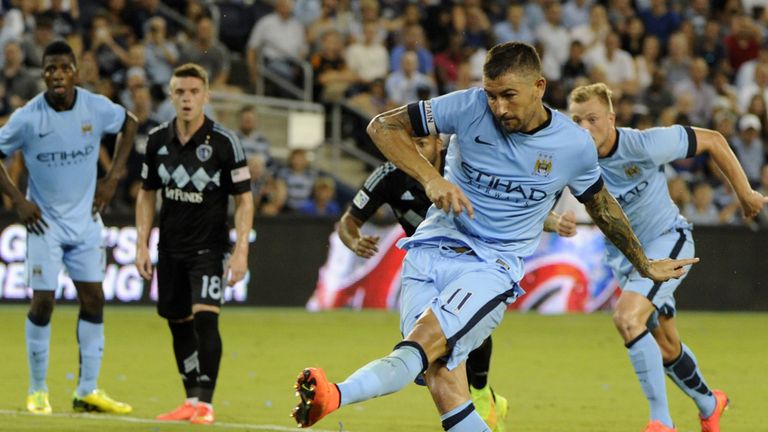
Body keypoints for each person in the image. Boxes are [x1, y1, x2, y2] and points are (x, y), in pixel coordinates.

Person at [291, 41, 696, 430]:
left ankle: (335, 394)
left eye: (508, 95)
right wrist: (431, 178)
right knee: (441, 380)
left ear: (539, 87)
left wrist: (643, 263)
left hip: (490, 265)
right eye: (491, 95)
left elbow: (602, 206)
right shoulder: (468, 106)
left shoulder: (572, 145)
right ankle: (334, 395)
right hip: (428, 249)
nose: (499, 107)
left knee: (422, 345)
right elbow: (382, 125)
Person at [338, 133, 577, 430]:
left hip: (472, 262)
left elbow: (511, 206)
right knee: (430, 351)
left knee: (463, 331)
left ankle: (480, 394)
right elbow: (349, 221)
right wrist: (355, 241)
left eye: (423, 143)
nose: (416, 151)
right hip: (426, 266)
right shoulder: (390, 175)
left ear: (439, 144)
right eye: (411, 144)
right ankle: (474, 405)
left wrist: (554, 221)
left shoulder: (464, 164)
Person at [568, 82, 768, 432]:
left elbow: (713, 140)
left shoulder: (644, 144)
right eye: (577, 120)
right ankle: (710, 404)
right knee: (666, 344)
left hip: (667, 241)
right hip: (627, 260)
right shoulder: (571, 161)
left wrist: (745, 193)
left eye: (593, 119)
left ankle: (661, 421)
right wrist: (556, 220)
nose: (584, 128)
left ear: (611, 119)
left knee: (627, 319)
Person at [0, 41, 137, 415]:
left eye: (64, 68)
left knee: (94, 299)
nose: (57, 75)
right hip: (44, 224)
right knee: (43, 302)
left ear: (76, 71)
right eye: (50, 69)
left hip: (86, 223)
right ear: (43, 75)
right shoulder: (28, 118)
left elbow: (130, 123)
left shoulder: (95, 107)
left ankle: (87, 391)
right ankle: (37, 390)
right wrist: (18, 199)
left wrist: (112, 178)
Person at [134, 63, 254, 425]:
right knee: (178, 322)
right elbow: (146, 193)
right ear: (171, 96)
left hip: (209, 248)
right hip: (170, 248)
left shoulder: (224, 142)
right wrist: (142, 244)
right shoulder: (157, 141)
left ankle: (205, 403)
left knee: (205, 318)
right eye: (180, 92)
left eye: (194, 92)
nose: (187, 99)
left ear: (206, 96)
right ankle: (190, 399)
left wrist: (241, 251)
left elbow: (244, 200)